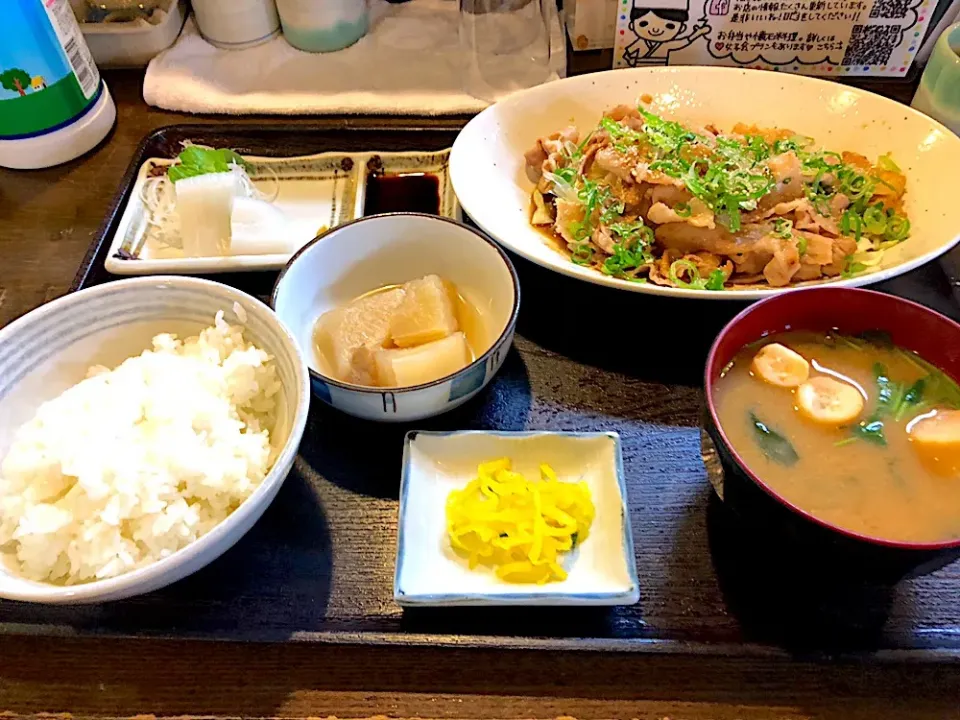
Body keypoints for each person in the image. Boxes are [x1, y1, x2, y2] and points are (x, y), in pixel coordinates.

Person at [622, 1, 710, 67]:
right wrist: (630, 61)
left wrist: (698, 33)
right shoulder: (640, 43)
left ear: (682, 28)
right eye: (644, 24)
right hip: (639, 73)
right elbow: (626, 55)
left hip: (663, 74)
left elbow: (684, 42)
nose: (655, 29)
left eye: (669, 26)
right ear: (632, 25)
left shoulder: (666, 45)